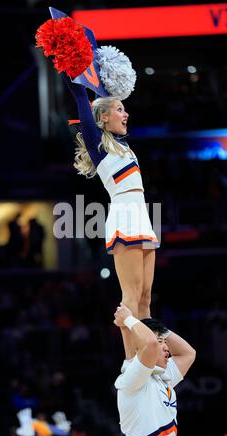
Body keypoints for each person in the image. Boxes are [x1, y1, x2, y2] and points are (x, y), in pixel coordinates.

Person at [65, 78, 159, 318]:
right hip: (124, 217)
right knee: (131, 297)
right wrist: (72, 69)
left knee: (146, 298)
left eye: (124, 109)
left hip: (142, 217)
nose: (125, 114)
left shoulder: (123, 146)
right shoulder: (99, 146)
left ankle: (147, 354)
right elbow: (79, 96)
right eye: (119, 109)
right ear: (104, 117)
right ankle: (130, 357)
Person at [114, 304, 196, 436]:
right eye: (160, 342)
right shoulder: (133, 378)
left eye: (165, 341)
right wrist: (128, 318)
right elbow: (150, 344)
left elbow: (188, 353)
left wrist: (152, 324)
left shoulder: (161, 377)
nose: (167, 347)